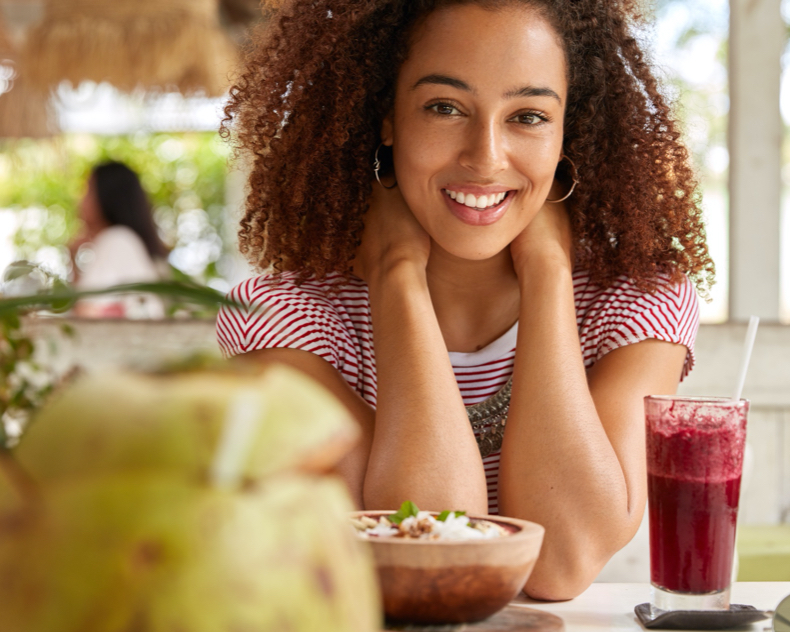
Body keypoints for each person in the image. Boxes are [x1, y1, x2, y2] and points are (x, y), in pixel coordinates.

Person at [216, 0, 713, 601]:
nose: (485, 157)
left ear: (568, 132)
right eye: (445, 107)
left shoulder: (638, 304)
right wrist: (397, 274)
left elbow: (562, 562)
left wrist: (548, 269)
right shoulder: (281, 320)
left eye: (528, 116)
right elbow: (434, 567)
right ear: (387, 117)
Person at [70, 161, 169, 319]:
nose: (80, 201)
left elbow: (85, 311)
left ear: (106, 196)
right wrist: (73, 259)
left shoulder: (116, 239)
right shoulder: (126, 241)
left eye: (87, 191)